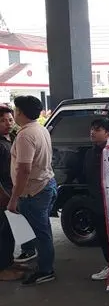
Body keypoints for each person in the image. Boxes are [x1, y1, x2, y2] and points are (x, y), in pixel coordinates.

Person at [7, 95, 58, 286]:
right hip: (47, 184)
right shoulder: (40, 128)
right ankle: (44, 263)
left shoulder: (25, 135)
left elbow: (24, 170)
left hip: (34, 191)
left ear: (20, 112)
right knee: (43, 229)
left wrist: (14, 198)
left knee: (40, 232)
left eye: (15, 110)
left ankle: (46, 270)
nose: (13, 114)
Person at [86, 118, 109, 281]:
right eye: (92, 129)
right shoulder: (90, 153)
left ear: (108, 133)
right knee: (104, 237)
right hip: (98, 203)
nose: (92, 132)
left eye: (97, 130)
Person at [0, 104, 22, 281]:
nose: (8, 123)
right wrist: (3, 195)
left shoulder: (10, 138)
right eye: (2, 120)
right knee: (2, 231)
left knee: (10, 229)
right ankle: (2, 269)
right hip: (3, 193)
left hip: (12, 190)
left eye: (10, 119)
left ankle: (8, 262)